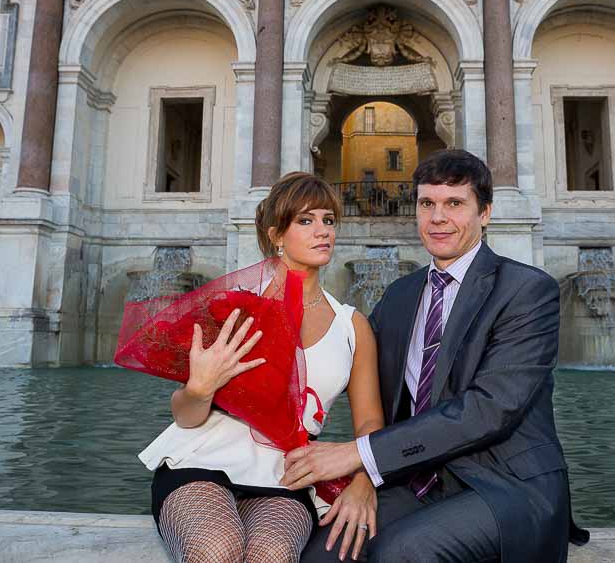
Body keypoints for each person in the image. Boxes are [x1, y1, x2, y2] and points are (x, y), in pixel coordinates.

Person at [287, 150, 589, 562]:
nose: (437, 217)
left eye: (454, 204)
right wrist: (362, 478)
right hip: (415, 479)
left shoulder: (526, 291)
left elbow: (488, 410)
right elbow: (357, 383)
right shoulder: (399, 296)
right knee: (323, 551)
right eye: (427, 203)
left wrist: (357, 455)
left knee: (402, 552)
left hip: (505, 486)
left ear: (485, 212)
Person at [138, 172, 385, 562]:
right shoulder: (235, 307)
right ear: (276, 234)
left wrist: (363, 480)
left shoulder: (352, 325)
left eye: (329, 220)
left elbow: (370, 424)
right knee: (216, 548)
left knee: (272, 554)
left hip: (288, 475)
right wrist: (199, 389)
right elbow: (185, 416)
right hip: (201, 460)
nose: (322, 231)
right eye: (306, 221)